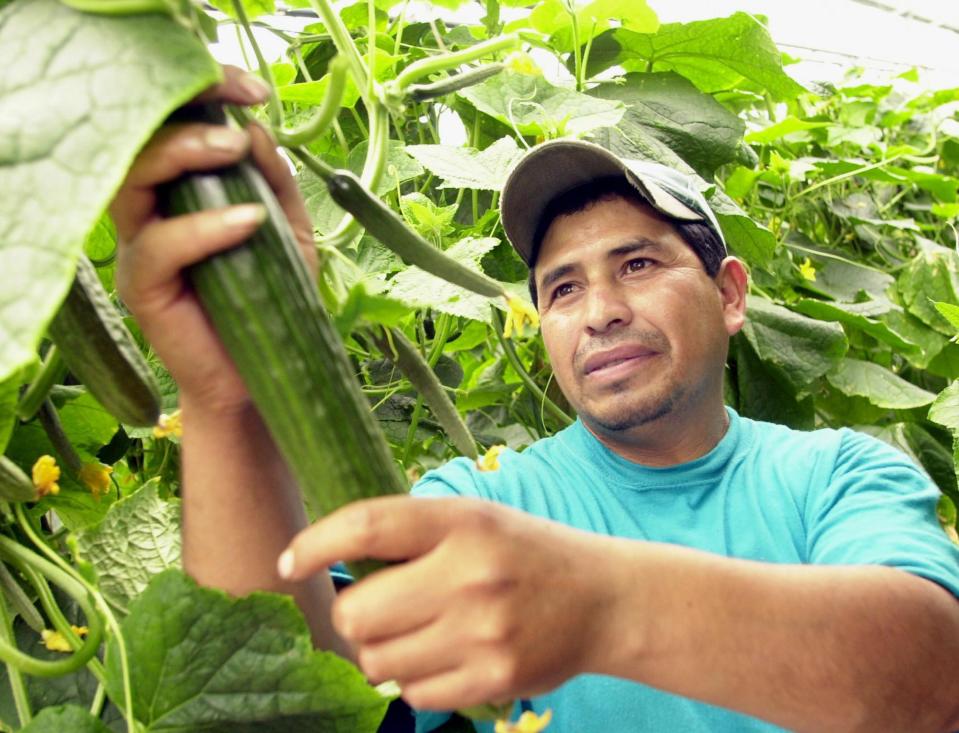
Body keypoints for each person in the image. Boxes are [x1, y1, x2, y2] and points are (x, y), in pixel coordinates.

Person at [111, 67, 959, 733]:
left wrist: (602, 604)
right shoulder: (481, 500)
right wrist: (228, 401)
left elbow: (931, 678)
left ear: (730, 293)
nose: (600, 312)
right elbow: (278, 682)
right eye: (561, 289)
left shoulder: (834, 473)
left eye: (637, 264)